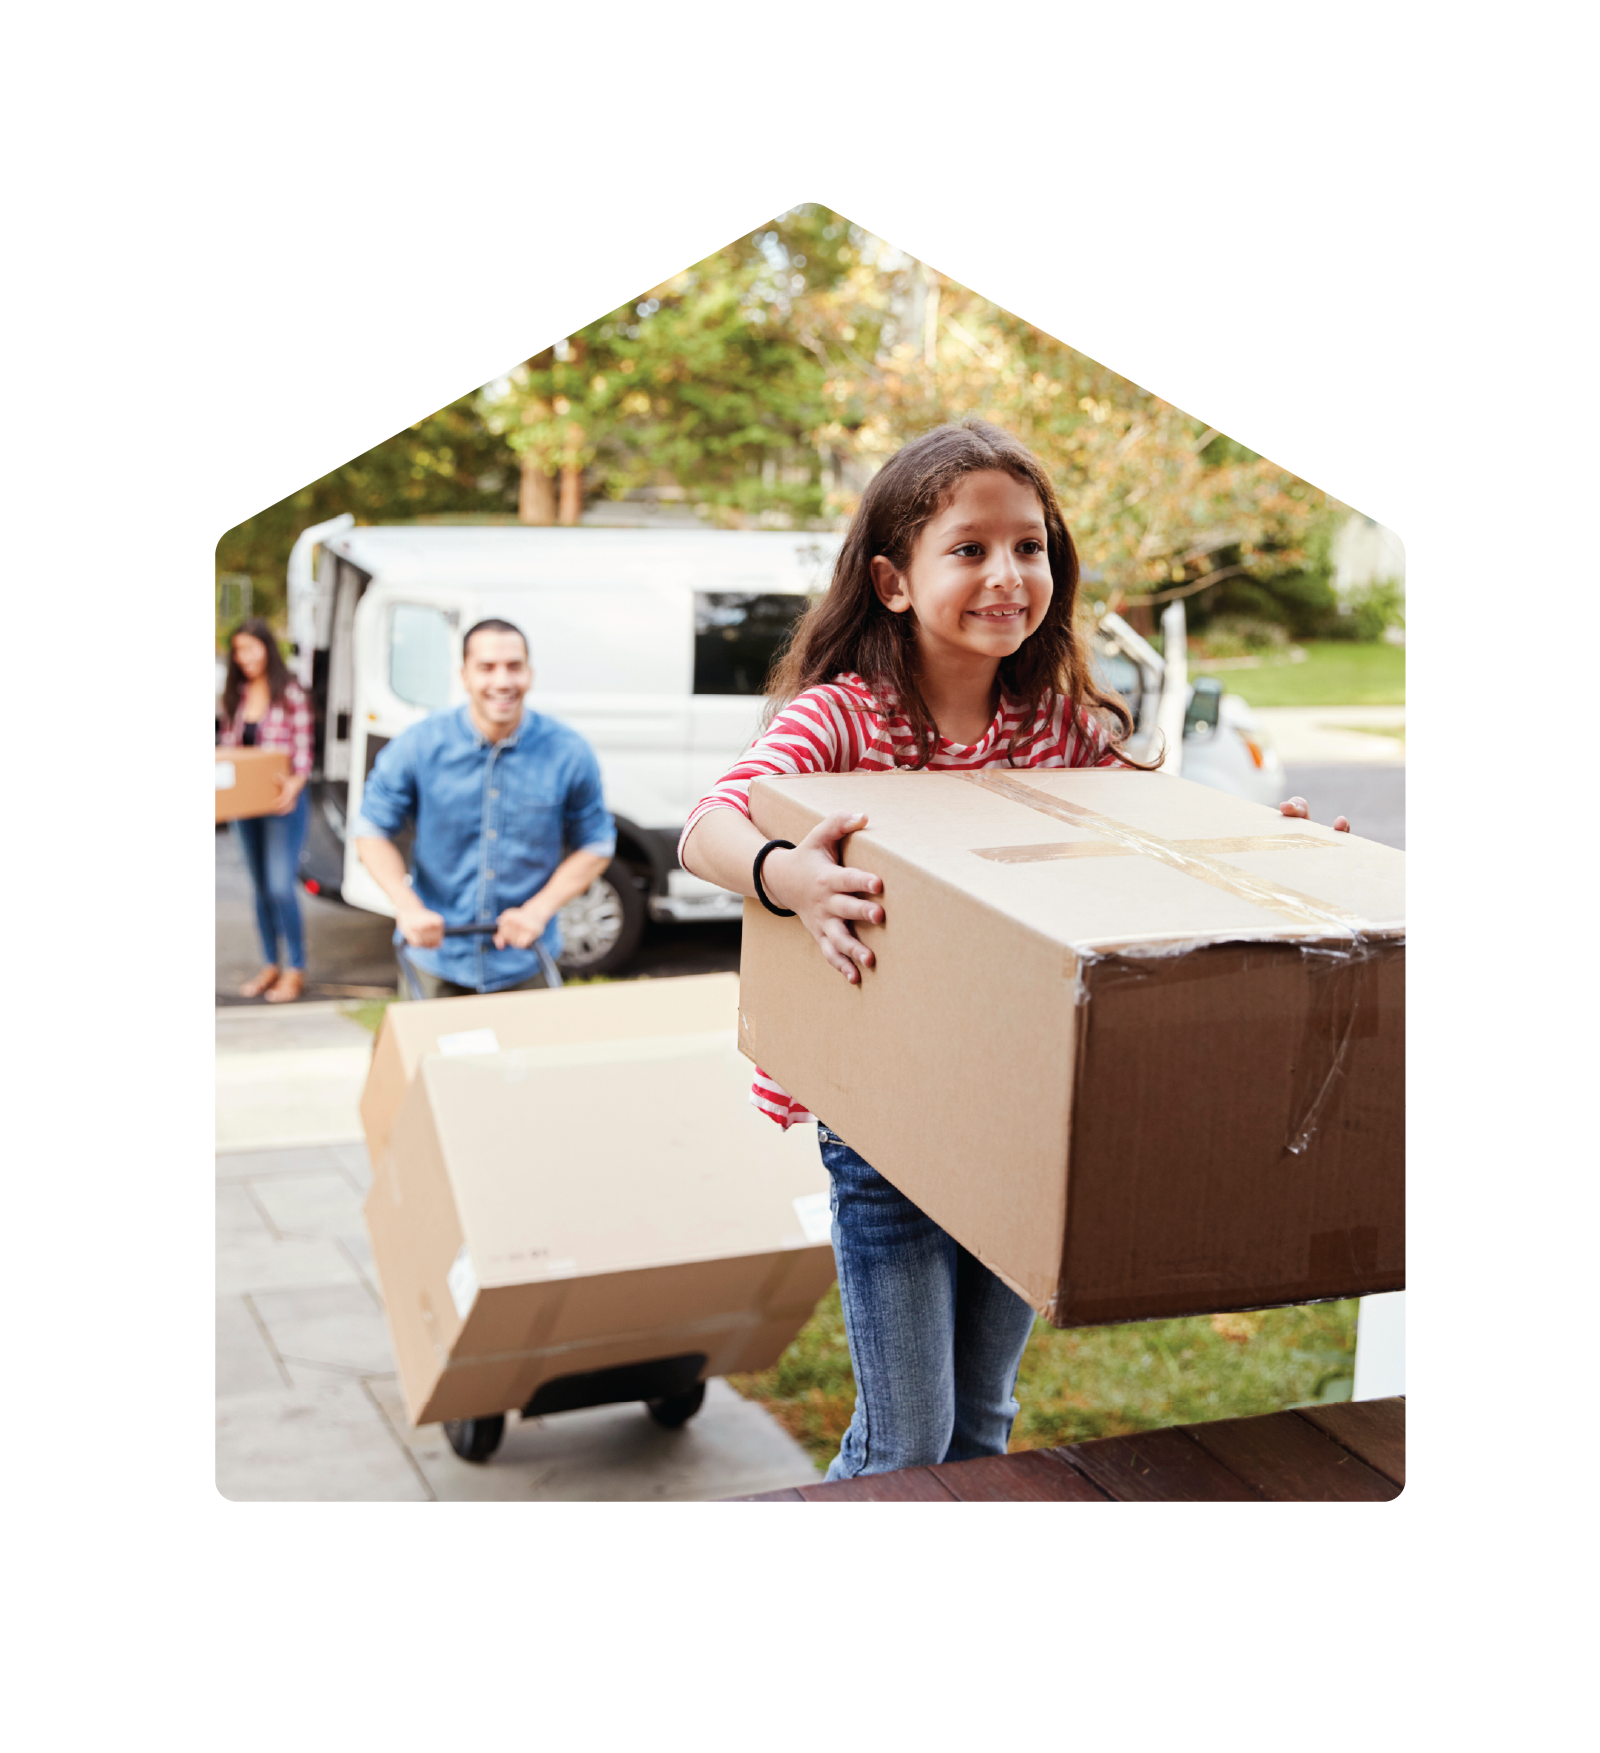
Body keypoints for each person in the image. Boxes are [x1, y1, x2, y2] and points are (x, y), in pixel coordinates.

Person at [679, 418, 1352, 1481]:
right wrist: (786, 874)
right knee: (905, 1439)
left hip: (1014, 1116)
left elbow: (1159, 846)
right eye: (970, 548)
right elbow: (707, 822)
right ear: (894, 581)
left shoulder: (1055, 728)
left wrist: (1287, 854)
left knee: (983, 1426)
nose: (1007, 573)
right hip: (886, 1121)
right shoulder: (846, 719)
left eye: (1029, 546)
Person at [353, 618, 616, 999]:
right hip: (435, 960)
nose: (502, 681)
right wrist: (407, 906)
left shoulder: (569, 752)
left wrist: (538, 911)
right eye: (487, 668)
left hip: (526, 959)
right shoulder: (418, 745)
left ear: (530, 673)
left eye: (514, 666)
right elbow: (370, 830)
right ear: (464, 675)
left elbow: (596, 844)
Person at [218, 618, 315, 1004]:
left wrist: (294, 784)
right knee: (258, 889)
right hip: (247, 807)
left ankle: (295, 968)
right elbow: (230, 752)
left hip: (282, 804)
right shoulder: (236, 695)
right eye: (239, 651)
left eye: (251, 649)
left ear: (267, 648)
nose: (245, 658)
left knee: (280, 886)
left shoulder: (290, 692)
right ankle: (269, 964)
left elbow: (305, 753)